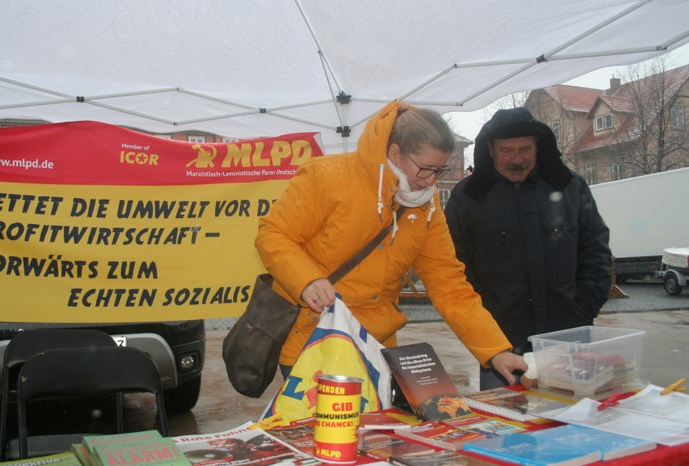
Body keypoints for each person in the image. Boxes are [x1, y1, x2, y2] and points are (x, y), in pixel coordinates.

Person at [255, 101, 526, 387]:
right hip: (314, 341)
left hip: (377, 349)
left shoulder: (427, 204)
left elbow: (449, 283)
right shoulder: (327, 176)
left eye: (439, 170)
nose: (431, 181)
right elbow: (273, 235)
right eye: (425, 169)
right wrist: (307, 281)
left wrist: (495, 350)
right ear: (395, 152)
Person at [444, 107, 612, 390]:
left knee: (570, 421)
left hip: (569, 334)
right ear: (490, 150)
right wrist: (484, 321)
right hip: (501, 343)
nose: (517, 159)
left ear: (539, 148)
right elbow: (453, 268)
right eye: (507, 150)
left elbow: (595, 250)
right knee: (508, 424)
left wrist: (584, 307)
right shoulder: (469, 197)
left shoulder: (570, 187)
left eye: (525, 149)